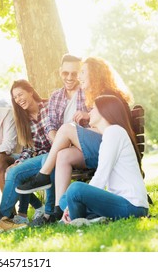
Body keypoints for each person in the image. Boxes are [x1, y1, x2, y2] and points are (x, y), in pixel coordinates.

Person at [16, 57, 133, 221]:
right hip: (99, 148)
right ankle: (58, 209)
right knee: (63, 155)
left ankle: (43, 175)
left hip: (110, 150)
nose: (78, 77)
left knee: (66, 128)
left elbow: (114, 132)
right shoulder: (94, 96)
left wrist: (84, 121)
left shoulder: (107, 97)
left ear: (94, 75)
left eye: (82, 72)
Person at [59, 95, 149, 224]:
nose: (89, 112)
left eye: (93, 108)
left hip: (132, 206)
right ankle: (88, 219)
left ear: (104, 111)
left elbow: (101, 175)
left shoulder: (114, 132)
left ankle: (77, 220)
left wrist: (70, 205)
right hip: (121, 203)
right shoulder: (111, 133)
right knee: (65, 198)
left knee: (75, 189)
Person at [0, 80, 50, 224]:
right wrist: (19, 162)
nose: (19, 100)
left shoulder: (49, 107)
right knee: (14, 171)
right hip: (40, 158)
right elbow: (29, 148)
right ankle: (14, 217)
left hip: (55, 156)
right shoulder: (23, 119)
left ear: (31, 92)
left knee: (16, 173)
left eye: (20, 94)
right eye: (15, 97)